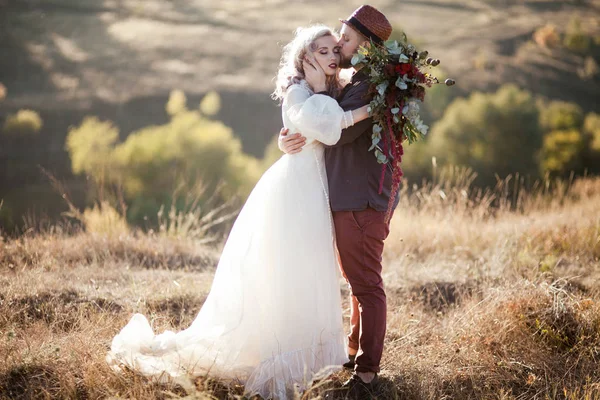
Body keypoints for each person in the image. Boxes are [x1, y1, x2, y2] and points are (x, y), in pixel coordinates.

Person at [107, 25, 371, 400]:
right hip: (295, 189)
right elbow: (327, 128)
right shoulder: (300, 90)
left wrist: (317, 104)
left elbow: (321, 123)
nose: (332, 56)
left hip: (318, 188)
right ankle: (280, 353)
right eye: (323, 50)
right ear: (306, 57)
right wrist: (366, 110)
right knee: (290, 269)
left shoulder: (329, 89)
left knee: (311, 269)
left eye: (334, 50)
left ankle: (314, 356)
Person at [278, 5, 397, 398]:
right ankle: (352, 351)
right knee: (356, 282)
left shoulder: (367, 87)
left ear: (366, 47)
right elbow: (316, 122)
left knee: (366, 284)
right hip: (349, 195)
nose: (340, 46)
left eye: (345, 40)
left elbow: (334, 133)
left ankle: (366, 374)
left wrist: (303, 118)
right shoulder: (357, 81)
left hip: (360, 199)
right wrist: (288, 134)